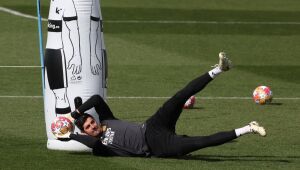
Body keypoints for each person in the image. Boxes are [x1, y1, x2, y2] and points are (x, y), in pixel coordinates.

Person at [69, 52, 266, 157]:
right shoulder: (101, 147)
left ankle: (219, 69)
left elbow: (96, 99)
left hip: (153, 125)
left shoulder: (107, 119)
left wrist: (78, 111)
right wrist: (70, 135)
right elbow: (92, 143)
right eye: (88, 127)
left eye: (91, 122)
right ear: (85, 132)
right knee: (200, 143)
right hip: (157, 146)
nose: (92, 126)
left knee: (179, 97)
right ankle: (249, 128)